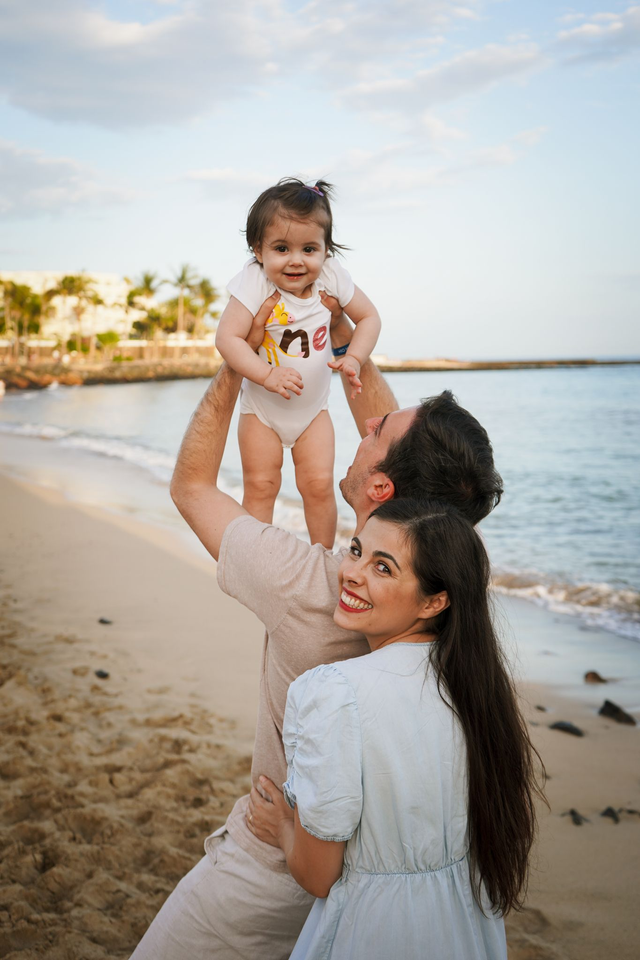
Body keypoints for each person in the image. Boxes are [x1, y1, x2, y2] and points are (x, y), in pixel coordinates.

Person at [130, 302, 503, 960]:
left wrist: (235, 366)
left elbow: (190, 487)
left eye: (374, 431)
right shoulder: (447, 589)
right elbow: (417, 468)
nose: (359, 428)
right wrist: (349, 353)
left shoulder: (308, 586)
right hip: (382, 876)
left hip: (275, 872)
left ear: (383, 486)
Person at [246, 499, 545, 959]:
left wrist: (283, 826)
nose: (352, 573)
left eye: (382, 568)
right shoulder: (477, 687)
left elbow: (317, 875)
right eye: (355, 550)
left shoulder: (336, 692)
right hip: (468, 926)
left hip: (374, 930)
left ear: (434, 600)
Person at [215, 177, 381, 548]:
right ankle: (255, 557)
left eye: (309, 248)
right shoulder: (254, 283)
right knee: (261, 485)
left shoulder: (332, 277)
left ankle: (321, 555)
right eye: (281, 248)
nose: (296, 260)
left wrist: (353, 356)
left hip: (312, 413)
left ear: (325, 250)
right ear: (258, 251)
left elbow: (370, 318)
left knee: (319, 485)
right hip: (262, 410)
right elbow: (227, 339)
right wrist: (266, 374)